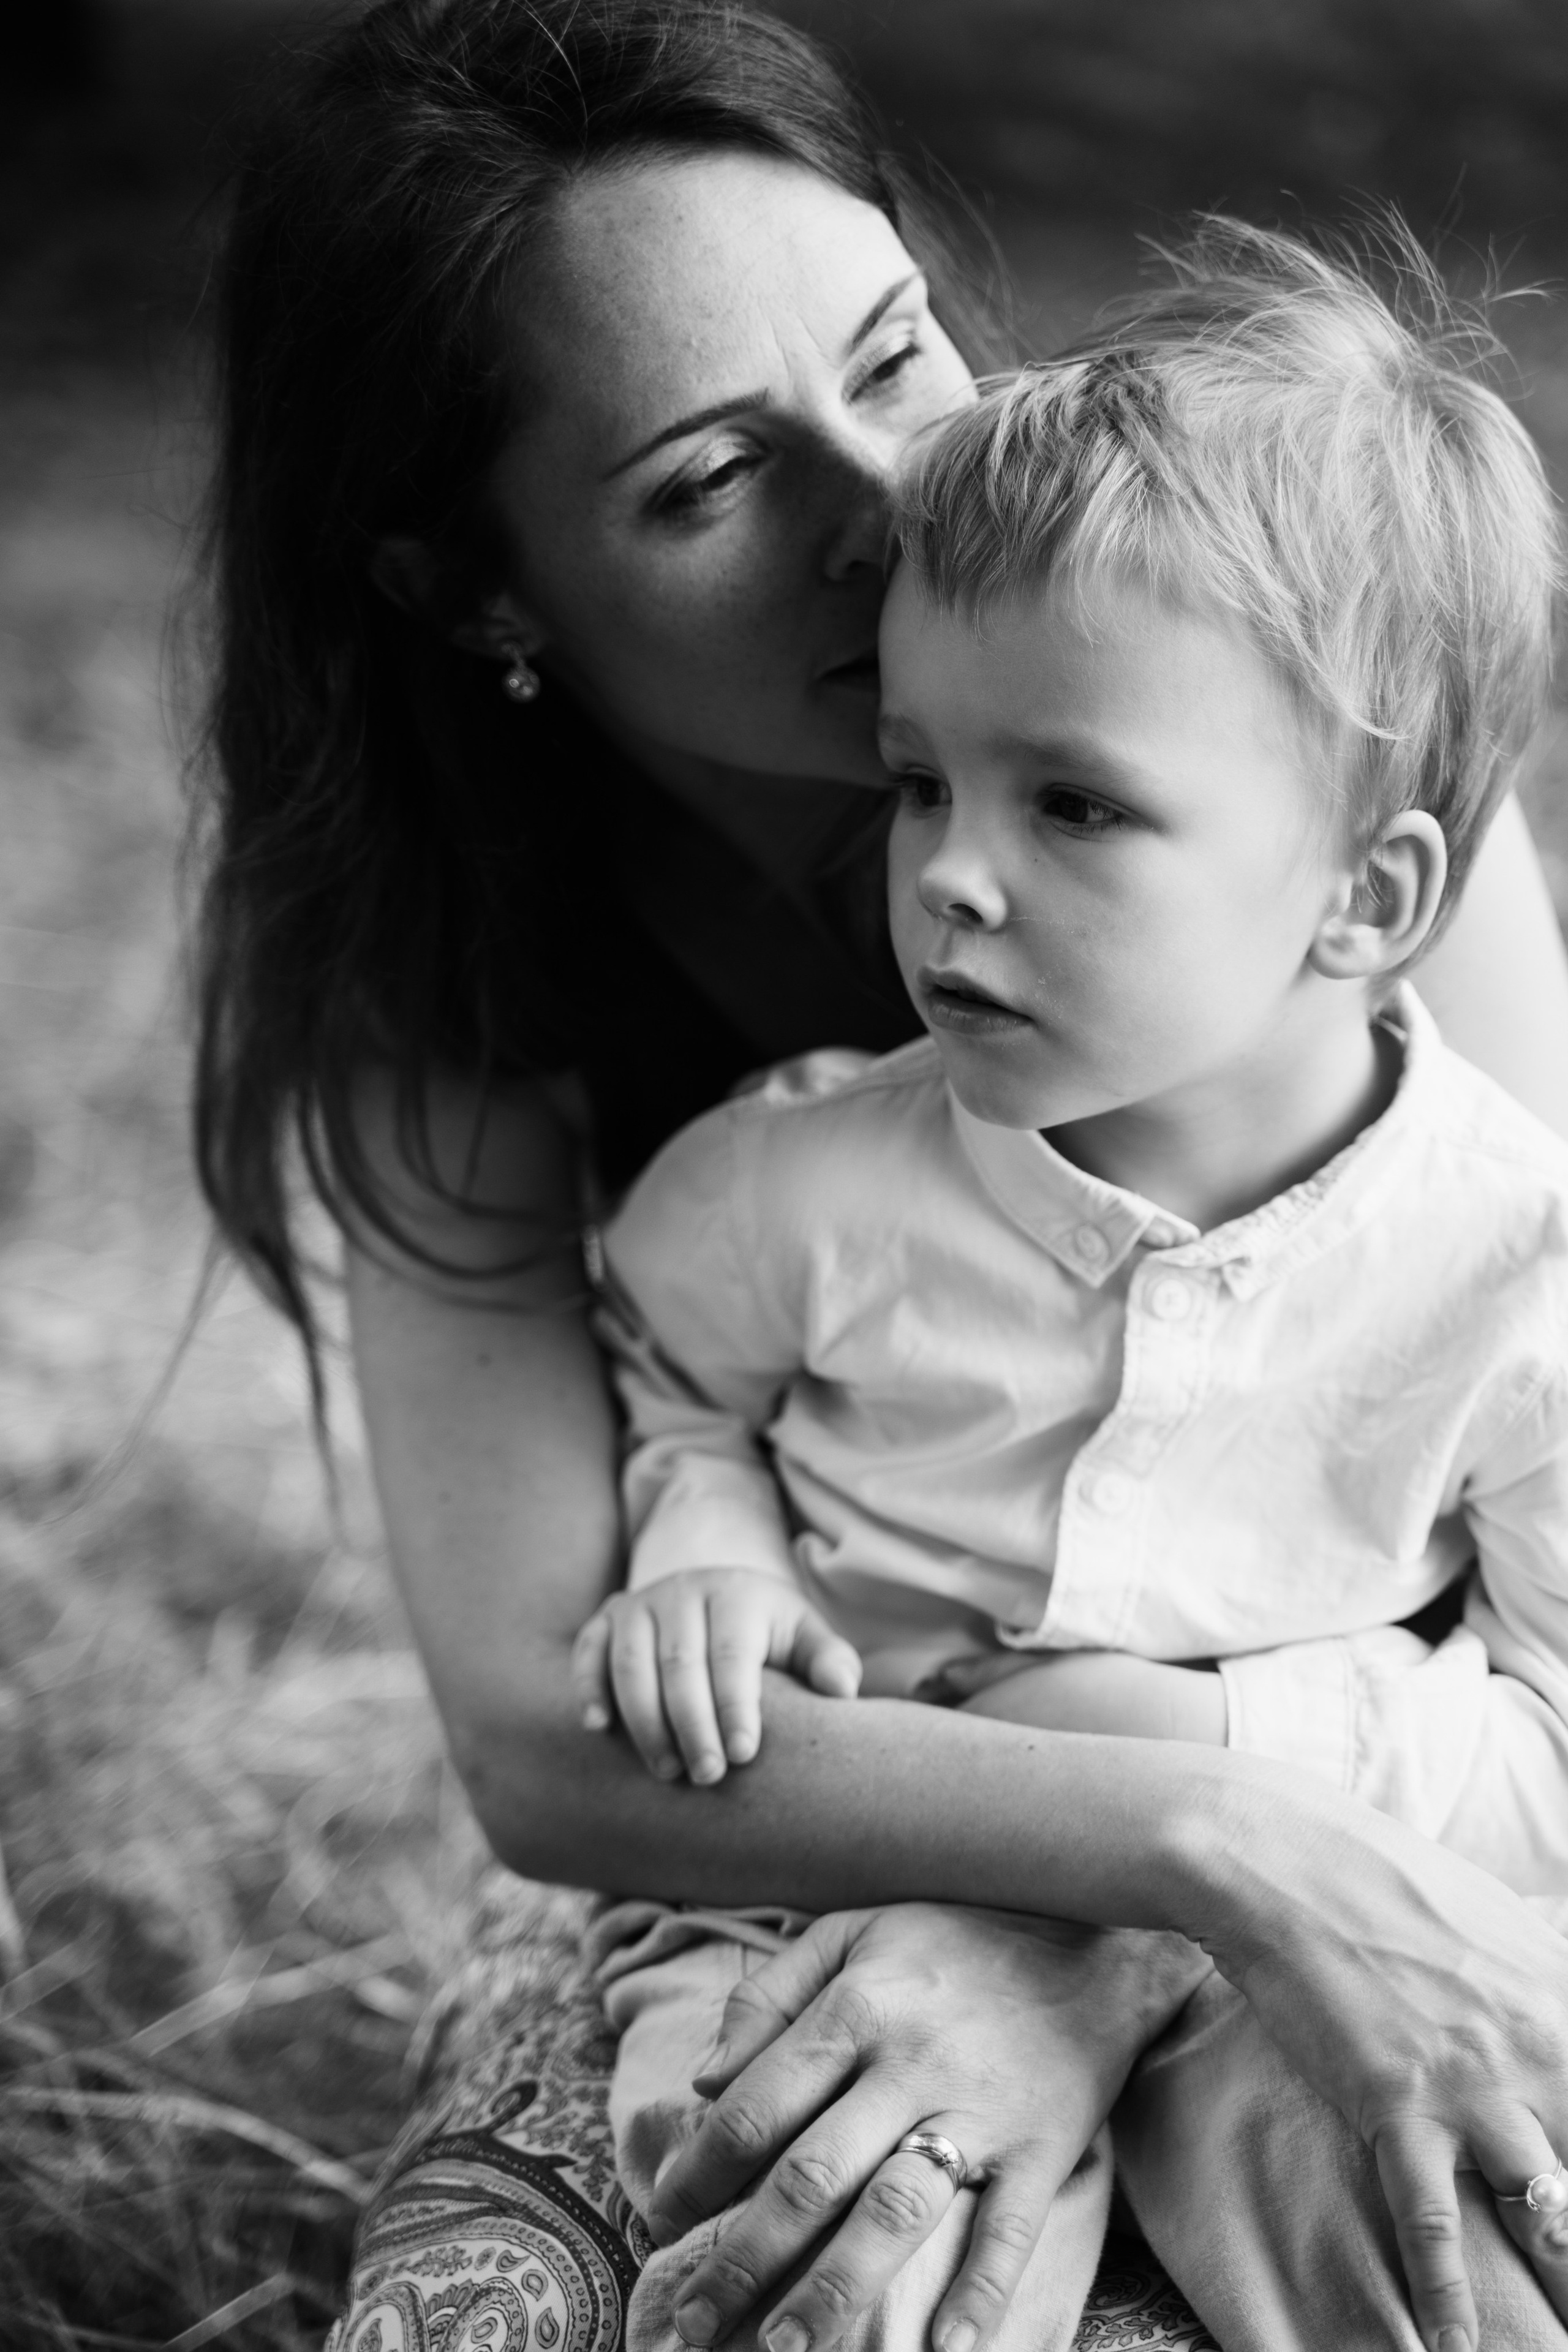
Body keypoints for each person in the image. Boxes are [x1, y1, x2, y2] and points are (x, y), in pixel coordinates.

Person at [189, 6, 1568, 2351]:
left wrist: (1127, 1926)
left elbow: (1479, 1427)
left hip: (1417, 1809)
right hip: (776, 1859)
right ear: (478, 590)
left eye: (896, 351)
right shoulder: (460, 990)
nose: (888, 502)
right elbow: (562, 1746)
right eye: (712, 479)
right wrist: (1169, 1850)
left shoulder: (1276, 728)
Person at [575, 221, 1568, 2351]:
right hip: (831, 1883)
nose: (946, 871)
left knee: (1461, 2248)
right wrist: (705, 1532)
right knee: (823, 2252)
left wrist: (1188, 1752)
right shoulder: (802, 1181)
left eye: (1078, 805)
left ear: (1368, 899)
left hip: (1290, 1931)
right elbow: (674, 1366)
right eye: (925, 776)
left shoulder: (1518, 1268)